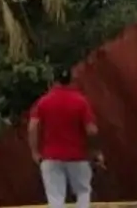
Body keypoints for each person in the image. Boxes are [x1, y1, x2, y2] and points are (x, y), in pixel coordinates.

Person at [28, 68, 104, 208]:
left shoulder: (43, 102)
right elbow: (92, 130)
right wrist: (95, 152)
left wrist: (35, 152)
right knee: (83, 191)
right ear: (71, 81)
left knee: (55, 197)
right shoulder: (81, 101)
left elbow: (33, 127)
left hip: (50, 157)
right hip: (77, 157)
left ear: (53, 81)